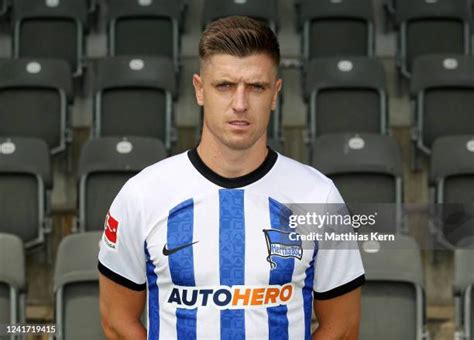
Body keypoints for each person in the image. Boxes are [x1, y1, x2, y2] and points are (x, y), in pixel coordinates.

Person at [98, 16, 365, 340]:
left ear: (276, 93)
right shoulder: (141, 195)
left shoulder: (320, 196)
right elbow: (116, 320)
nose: (240, 104)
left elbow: (344, 326)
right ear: (199, 90)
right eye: (224, 86)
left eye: (256, 87)